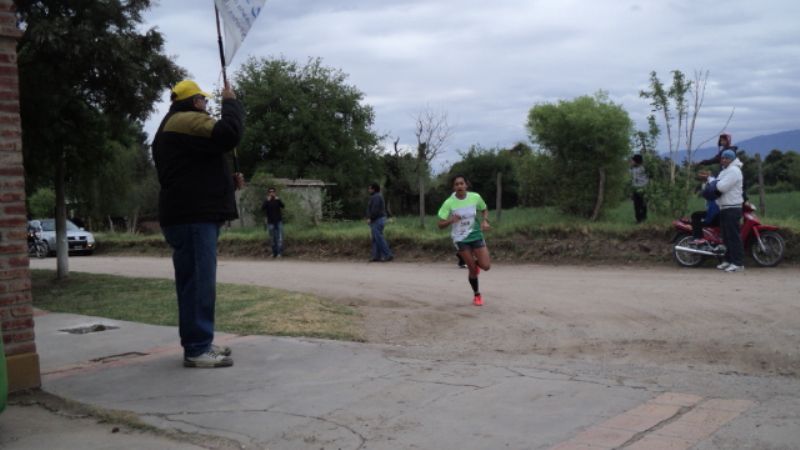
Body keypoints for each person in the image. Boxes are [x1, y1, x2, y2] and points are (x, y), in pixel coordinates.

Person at [152, 79, 245, 368]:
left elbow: (191, 172)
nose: (207, 106)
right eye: (204, 101)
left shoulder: (176, 124)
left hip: (189, 215)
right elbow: (228, 134)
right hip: (192, 218)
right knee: (198, 283)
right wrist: (231, 102)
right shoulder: (186, 119)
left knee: (196, 281)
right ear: (195, 102)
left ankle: (200, 342)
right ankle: (197, 348)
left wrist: (227, 184)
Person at [437, 175, 491, 306]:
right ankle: (477, 295)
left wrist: (484, 221)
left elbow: (484, 209)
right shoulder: (449, 202)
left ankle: (475, 264)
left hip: (476, 234)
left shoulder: (475, 197)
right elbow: (440, 224)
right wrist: (451, 220)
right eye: (456, 184)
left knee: (486, 266)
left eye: (462, 183)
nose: (459, 186)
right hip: (460, 238)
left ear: (466, 185)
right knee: (472, 269)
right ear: (453, 187)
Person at [714, 149, 745, 272]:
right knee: (726, 237)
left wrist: (713, 183)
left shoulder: (734, 171)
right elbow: (717, 183)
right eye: (723, 158)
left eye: (727, 158)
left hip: (732, 207)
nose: (724, 160)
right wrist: (714, 183)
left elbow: (721, 186)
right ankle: (728, 261)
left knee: (733, 237)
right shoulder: (725, 171)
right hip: (724, 207)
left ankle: (738, 263)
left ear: (732, 159)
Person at [689, 172, 720, 245]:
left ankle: (698, 237)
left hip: (715, 213)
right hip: (715, 211)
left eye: (703, 174)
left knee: (696, 216)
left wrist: (706, 220)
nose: (701, 176)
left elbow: (713, 207)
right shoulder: (706, 184)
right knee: (697, 215)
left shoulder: (713, 184)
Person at [366, 183, 393, 262]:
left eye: (370, 188)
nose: (369, 190)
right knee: (375, 238)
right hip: (376, 220)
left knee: (379, 238)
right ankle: (376, 256)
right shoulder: (375, 197)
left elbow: (375, 209)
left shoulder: (376, 197)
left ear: (374, 189)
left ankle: (388, 254)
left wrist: (370, 218)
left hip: (377, 220)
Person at [261, 187, 285, 258]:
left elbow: (283, 206)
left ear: (275, 193)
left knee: (279, 238)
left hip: (278, 221)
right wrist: (266, 201)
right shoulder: (267, 201)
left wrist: (279, 199)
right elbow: (262, 208)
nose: (272, 193)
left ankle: (279, 253)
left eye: (273, 192)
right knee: (272, 238)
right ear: (268, 193)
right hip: (270, 222)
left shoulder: (277, 200)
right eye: (270, 192)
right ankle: (274, 253)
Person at [630, 154, 648, 223]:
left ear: (636, 161)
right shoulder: (633, 169)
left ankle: (643, 219)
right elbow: (633, 181)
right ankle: (638, 220)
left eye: (633, 160)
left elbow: (646, 180)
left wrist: (646, 191)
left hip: (642, 189)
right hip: (635, 189)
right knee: (636, 206)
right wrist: (632, 191)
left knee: (643, 205)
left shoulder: (643, 169)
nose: (632, 161)